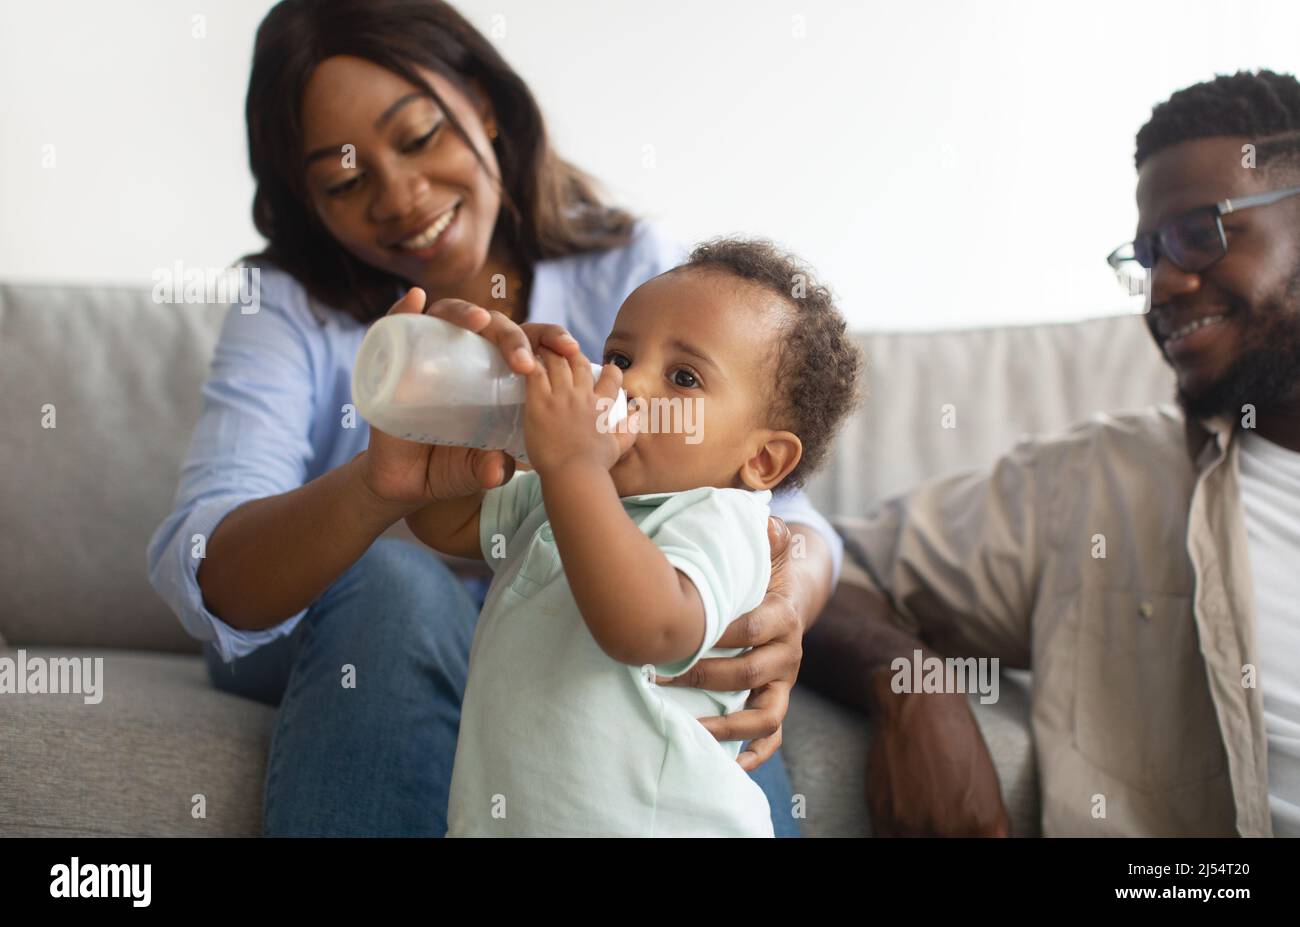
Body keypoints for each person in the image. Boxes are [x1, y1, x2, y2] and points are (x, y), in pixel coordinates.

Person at [146, 0, 843, 837]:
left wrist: (778, 613)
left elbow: (779, 521)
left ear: (481, 102)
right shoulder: (290, 309)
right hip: (386, 626)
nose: (401, 197)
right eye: (344, 179)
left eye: (418, 137)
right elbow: (218, 558)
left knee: (708, 659)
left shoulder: (638, 278)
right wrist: (384, 485)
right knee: (396, 576)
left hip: (621, 630)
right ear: (305, 196)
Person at [804, 69, 1300, 837]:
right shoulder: (1097, 482)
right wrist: (911, 683)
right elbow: (827, 565)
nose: (1162, 284)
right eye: (1146, 254)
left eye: (1200, 234)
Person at [404, 239, 861, 835]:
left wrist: (573, 468)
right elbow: (442, 523)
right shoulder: (564, 492)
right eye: (618, 357)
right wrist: (480, 421)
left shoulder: (721, 520)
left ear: (764, 461)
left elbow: (647, 627)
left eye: (683, 376)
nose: (629, 386)